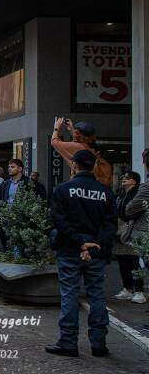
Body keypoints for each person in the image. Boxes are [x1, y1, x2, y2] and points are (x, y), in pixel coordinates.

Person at [46, 150, 116, 358]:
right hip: (96, 251)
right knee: (96, 295)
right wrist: (93, 244)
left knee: (69, 294)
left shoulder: (63, 190)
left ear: (74, 166)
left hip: (70, 249)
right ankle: (99, 343)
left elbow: (59, 221)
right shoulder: (106, 192)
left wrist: (81, 242)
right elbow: (110, 225)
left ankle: (68, 342)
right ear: (93, 166)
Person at [114, 171, 147, 304]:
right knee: (122, 260)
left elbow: (135, 210)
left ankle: (139, 291)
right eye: (123, 177)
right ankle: (128, 288)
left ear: (134, 181)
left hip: (133, 229)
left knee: (133, 260)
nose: (123, 179)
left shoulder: (138, 194)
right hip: (120, 229)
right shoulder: (121, 194)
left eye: (127, 178)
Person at [52, 118, 112, 184]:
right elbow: (80, 141)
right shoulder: (90, 147)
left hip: (79, 183)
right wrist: (71, 129)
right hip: (93, 183)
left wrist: (56, 128)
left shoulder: (78, 147)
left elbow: (54, 142)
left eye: (75, 131)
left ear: (77, 133)